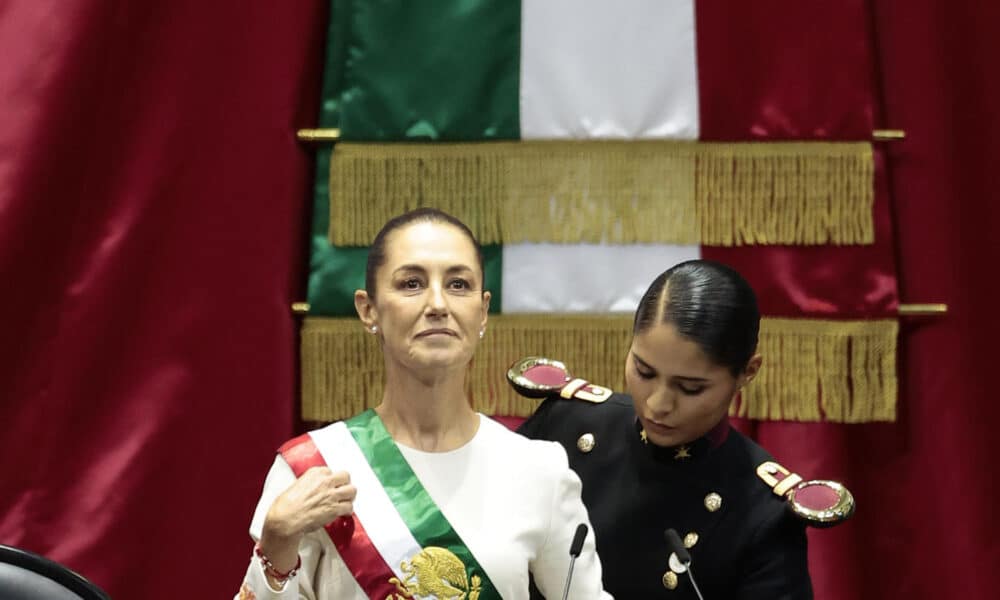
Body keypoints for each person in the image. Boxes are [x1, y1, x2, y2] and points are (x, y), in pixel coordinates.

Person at [236, 208, 610, 600]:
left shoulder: (539, 470)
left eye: (459, 284)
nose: (437, 304)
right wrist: (277, 541)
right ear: (369, 309)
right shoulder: (314, 468)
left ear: (482, 312)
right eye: (412, 283)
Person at [516, 260, 853, 599]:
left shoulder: (761, 512)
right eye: (644, 372)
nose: (658, 404)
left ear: (747, 372)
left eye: (690, 388)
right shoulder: (564, 425)